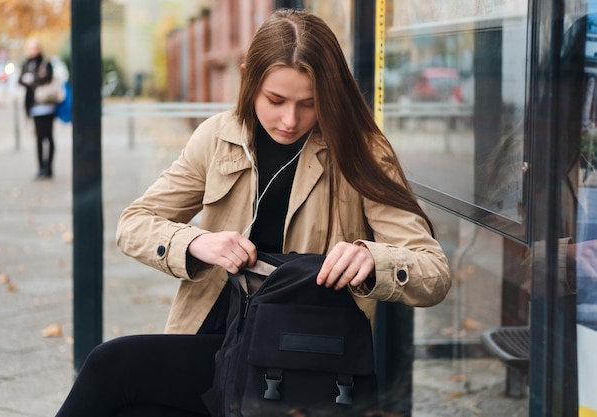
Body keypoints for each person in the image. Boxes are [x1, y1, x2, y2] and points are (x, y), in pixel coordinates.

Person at [54, 9, 451, 417]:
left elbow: (433, 273)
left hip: (300, 358)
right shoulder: (218, 138)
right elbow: (133, 223)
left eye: (310, 104)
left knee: (114, 369)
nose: (290, 120)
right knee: (120, 387)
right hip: (218, 340)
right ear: (248, 78)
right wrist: (198, 241)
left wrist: (372, 259)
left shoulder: (360, 150)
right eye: (275, 100)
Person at [18, 37, 57, 179]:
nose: (31, 51)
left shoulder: (45, 63)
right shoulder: (26, 64)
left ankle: (49, 167)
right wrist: (34, 79)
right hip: (33, 106)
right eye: (29, 48)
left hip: (47, 105)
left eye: (34, 48)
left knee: (49, 137)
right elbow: (21, 80)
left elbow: (47, 78)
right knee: (39, 138)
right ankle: (41, 168)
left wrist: (32, 79)